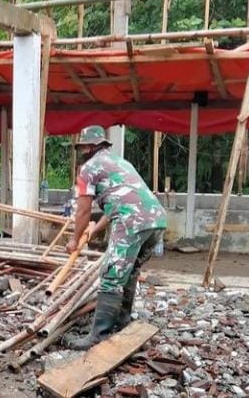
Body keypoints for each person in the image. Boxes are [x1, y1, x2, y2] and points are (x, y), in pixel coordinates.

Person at [64, 125, 166, 351]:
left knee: (111, 274)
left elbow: (83, 211)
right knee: (129, 272)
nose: (82, 152)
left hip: (131, 221)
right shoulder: (120, 163)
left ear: (89, 146)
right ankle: (122, 323)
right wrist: (95, 230)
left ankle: (98, 335)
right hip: (156, 220)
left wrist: (74, 239)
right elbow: (115, 206)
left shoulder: (88, 168)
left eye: (83, 147)